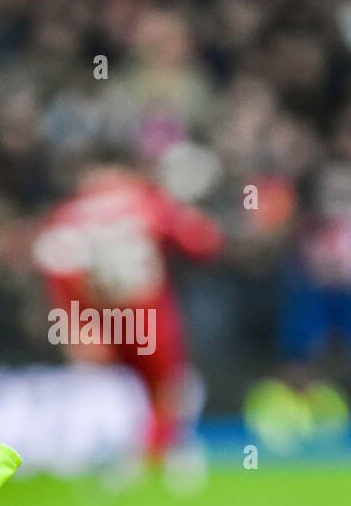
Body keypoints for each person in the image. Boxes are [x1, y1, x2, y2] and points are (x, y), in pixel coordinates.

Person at [33, 164, 221, 461]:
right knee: (167, 388)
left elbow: (56, 268)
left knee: (111, 391)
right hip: (147, 313)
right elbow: (201, 242)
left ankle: (112, 455)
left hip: (101, 315)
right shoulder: (148, 201)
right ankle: (156, 454)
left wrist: (75, 324)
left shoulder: (69, 213)